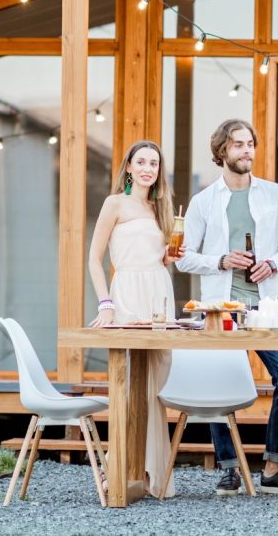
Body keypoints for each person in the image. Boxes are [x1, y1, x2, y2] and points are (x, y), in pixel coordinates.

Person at [176, 119, 278, 496]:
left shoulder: (273, 193)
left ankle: (273, 466)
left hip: (265, 305)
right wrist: (220, 261)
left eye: (250, 144)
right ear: (222, 151)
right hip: (220, 307)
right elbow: (185, 258)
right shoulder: (203, 201)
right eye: (238, 145)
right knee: (220, 383)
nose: (247, 150)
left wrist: (274, 262)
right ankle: (229, 467)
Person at [87, 140, 178, 498]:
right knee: (128, 382)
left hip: (159, 290)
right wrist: (105, 303)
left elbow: (156, 257)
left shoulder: (160, 206)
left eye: (153, 163)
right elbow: (94, 258)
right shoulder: (115, 203)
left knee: (157, 382)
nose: (147, 168)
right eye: (141, 162)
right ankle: (117, 468)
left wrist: (169, 257)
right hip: (126, 290)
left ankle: (151, 472)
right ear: (128, 167)